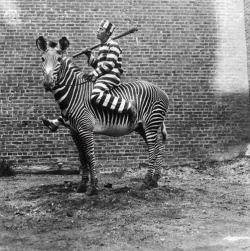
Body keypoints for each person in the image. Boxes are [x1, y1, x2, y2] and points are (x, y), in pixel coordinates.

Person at [41, 20, 137, 132]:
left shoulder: (113, 45)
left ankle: (129, 107)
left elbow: (109, 65)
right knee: (81, 99)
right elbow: (98, 65)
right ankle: (58, 121)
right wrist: (89, 55)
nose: (97, 30)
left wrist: (92, 75)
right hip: (102, 76)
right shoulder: (103, 47)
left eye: (101, 29)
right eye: (98, 28)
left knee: (95, 95)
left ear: (107, 33)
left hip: (111, 76)